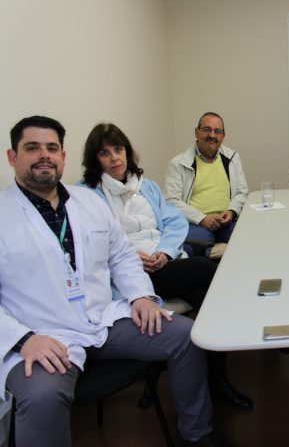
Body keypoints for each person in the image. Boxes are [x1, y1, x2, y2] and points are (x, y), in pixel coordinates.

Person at [1, 116, 228, 446]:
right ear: (13, 157)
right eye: (32, 148)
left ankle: (197, 435)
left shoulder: (88, 203)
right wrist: (23, 339)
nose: (44, 155)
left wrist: (141, 297)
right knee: (42, 397)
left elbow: (121, 256)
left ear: (63, 155)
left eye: (52, 148)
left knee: (186, 337)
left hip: (103, 319)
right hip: (43, 335)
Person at [80, 123, 253, 411]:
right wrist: (129, 256)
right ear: (94, 159)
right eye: (104, 153)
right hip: (130, 277)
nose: (114, 158)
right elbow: (88, 243)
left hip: (163, 265)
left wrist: (165, 252)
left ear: (127, 151)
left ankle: (217, 380)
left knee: (207, 303)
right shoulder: (85, 196)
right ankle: (248, 315)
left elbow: (174, 222)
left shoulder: (146, 186)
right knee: (203, 269)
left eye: (118, 149)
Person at [165, 112, 248, 247]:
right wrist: (201, 218)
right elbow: (171, 201)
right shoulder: (178, 163)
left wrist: (232, 212)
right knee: (196, 243)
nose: (212, 135)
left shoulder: (233, 157)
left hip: (226, 223)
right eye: (207, 130)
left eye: (217, 131)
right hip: (195, 224)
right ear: (196, 132)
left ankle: (213, 253)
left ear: (223, 136)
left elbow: (242, 192)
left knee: (246, 234)